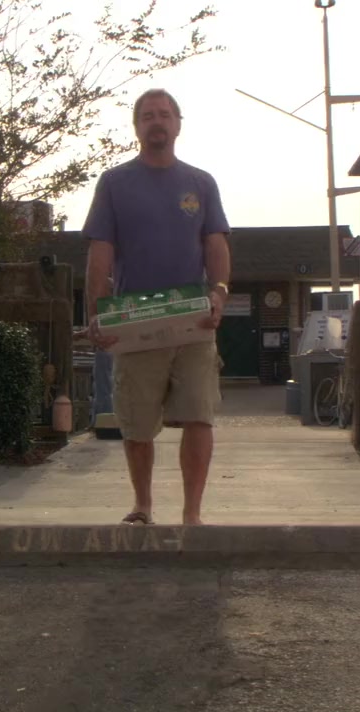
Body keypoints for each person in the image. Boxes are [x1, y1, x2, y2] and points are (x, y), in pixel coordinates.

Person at [82, 88, 232, 526]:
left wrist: (220, 292)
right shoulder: (115, 183)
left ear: (178, 124)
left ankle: (192, 514)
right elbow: (100, 252)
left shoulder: (201, 183)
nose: (157, 122)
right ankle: (143, 505)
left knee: (199, 416)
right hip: (135, 322)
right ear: (137, 126)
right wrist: (96, 311)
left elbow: (216, 244)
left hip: (193, 321)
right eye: (148, 115)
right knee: (136, 424)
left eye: (165, 114)